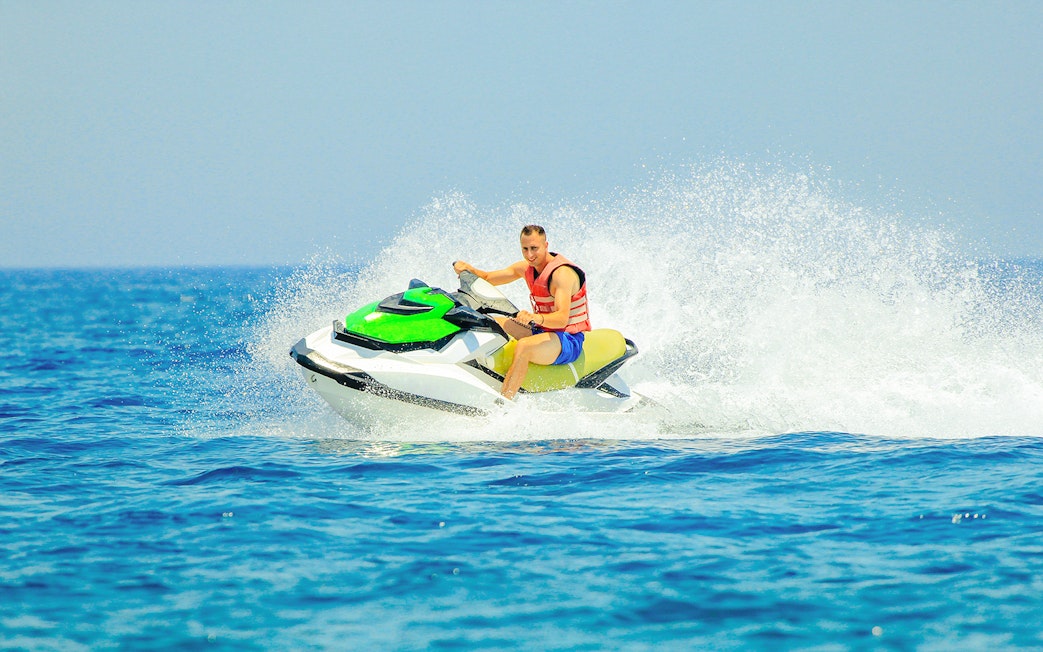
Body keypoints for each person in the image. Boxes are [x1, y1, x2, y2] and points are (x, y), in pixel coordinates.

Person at [453, 224, 591, 400]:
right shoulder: (526, 268)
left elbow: (562, 319)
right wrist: (467, 269)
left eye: (534, 248)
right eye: (525, 249)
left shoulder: (562, 275)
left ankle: (505, 403)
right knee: (489, 322)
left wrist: (534, 317)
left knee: (524, 346)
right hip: (542, 330)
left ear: (546, 245)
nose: (529, 255)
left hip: (568, 339)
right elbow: (487, 278)